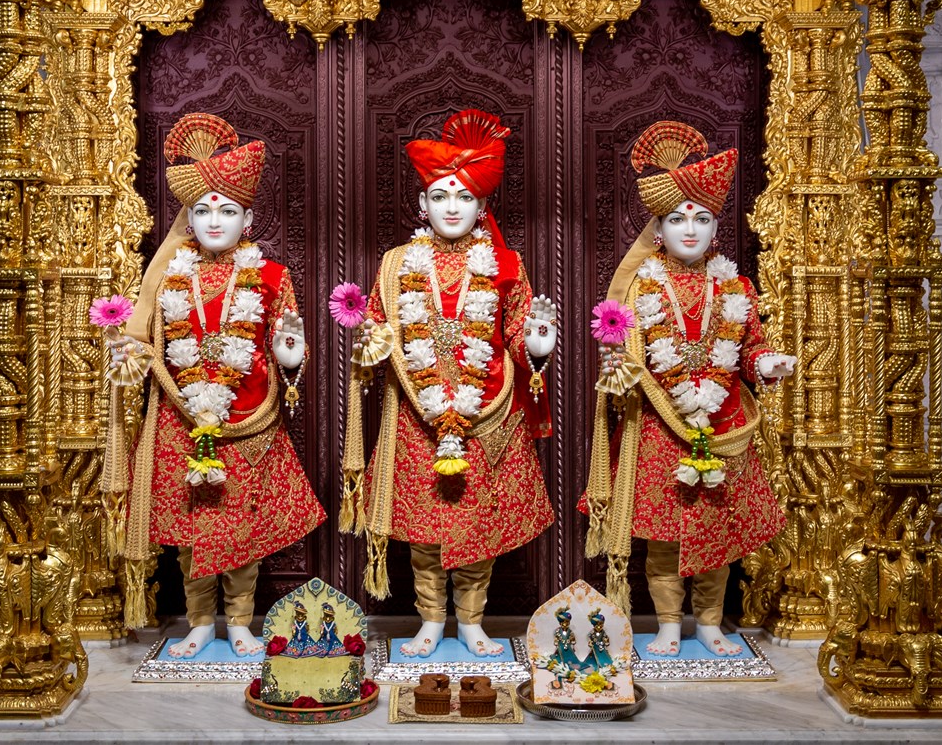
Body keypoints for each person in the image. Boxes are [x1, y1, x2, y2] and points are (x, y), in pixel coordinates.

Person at [106, 112, 325, 659]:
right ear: (189, 218)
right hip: (180, 417)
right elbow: (148, 342)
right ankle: (200, 622)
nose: (214, 220)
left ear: (247, 218)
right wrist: (128, 353)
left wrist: (291, 356)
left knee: (240, 526)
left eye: (227, 210)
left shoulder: (271, 276)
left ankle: (241, 622)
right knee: (193, 527)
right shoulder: (167, 276)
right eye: (202, 210)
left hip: (249, 418)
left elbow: (287, 351)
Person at [340, 110, 558, 658]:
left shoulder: (506, 264)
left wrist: (539, 344)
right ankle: (431, 622)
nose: (452, 207)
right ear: (423, 204)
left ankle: (472, 622)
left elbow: (517, 336)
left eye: (464, 197)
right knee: (425, 531)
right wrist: (367, 340)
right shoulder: (395, 264)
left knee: (477, 527)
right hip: (417, 415)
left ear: (483, 207)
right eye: (440, 196)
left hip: (487, 415)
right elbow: (376, 332)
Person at [583, 121, 795, 657]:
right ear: (658, 229)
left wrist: (766, 363)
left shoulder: (735, 285)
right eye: (677, 218)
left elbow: (749, 347)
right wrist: (620, 372)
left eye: (702, 218)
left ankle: (709, 624)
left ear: (716, 227)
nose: (690, 229)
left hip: (722, 426)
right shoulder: (639, 287)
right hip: (659, 426)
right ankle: (668, 625)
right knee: (664, 535)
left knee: (717, 532)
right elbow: (618, 353)